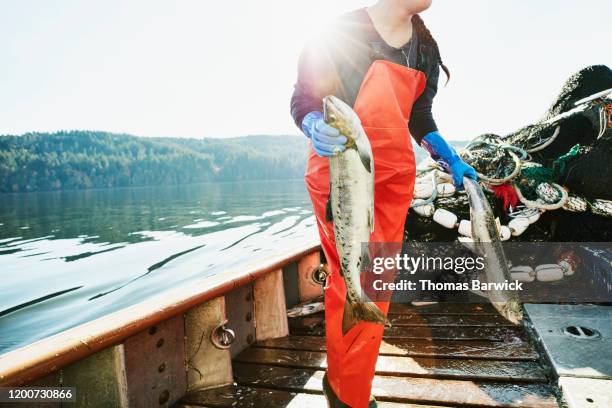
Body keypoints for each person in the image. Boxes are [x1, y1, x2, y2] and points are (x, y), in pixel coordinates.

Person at [290, 1, 477, 406]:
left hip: (392, 178)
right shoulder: (340, 32)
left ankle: (344, 384)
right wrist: (311, 124)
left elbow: (419, 116)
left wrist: (445, 151)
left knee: (378, 283)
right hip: (340, 174)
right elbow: (304, 98)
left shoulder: (425, 49)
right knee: (353, 280)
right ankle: (349, 395)